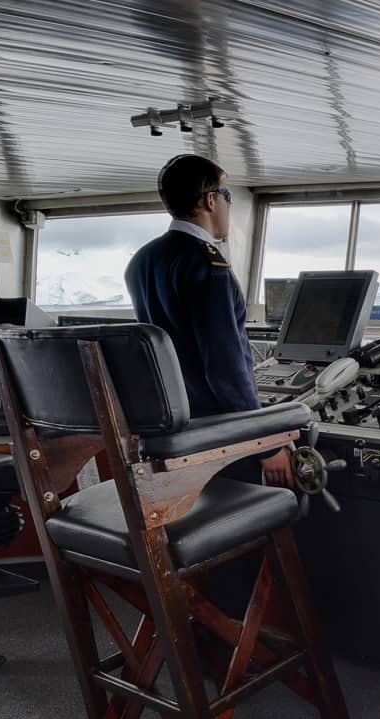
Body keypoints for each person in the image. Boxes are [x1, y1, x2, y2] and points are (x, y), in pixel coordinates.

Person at [126, 154, 290, 484]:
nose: (230, 205)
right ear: (211, 200)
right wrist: (264, 445)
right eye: (228, 196)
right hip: (218, 434)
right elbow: (225, 369)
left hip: (172, 427)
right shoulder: (207, 267)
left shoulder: (143, 259)